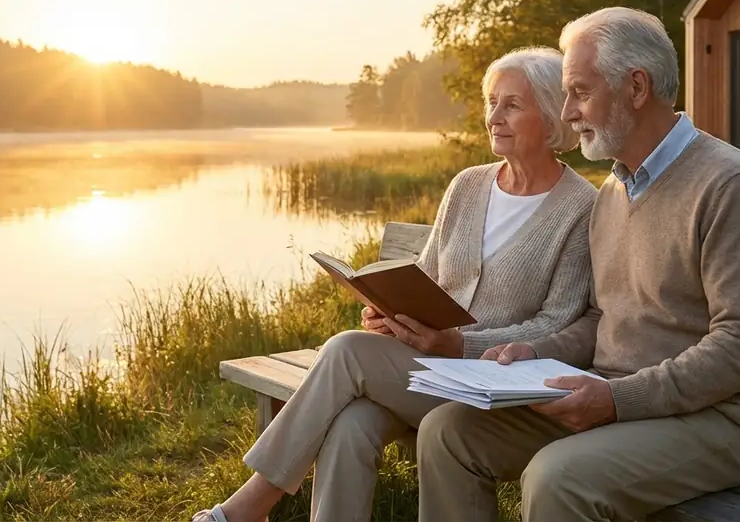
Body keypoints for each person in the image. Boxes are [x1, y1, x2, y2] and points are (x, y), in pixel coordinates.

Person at [415, 7, 740, 521]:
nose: (567, 112)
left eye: (580, 91)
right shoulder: (615, 189)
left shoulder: (729, 185)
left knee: (557, 478)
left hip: (723, 418)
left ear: (635, 88)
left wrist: (619, 399)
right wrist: (534, 350)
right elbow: (601, 318)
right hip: (615, 394)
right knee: (448, 433)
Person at [192, 46, 599, 522]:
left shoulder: (580, 207)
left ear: (551, 119)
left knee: (346, 351)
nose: (494, 117)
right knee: (352, 421)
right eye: (491, 102)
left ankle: (250, 506)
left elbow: (558, 321)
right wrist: (387, 308)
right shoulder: (468, 184)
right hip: (424, 369)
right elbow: (426, 273)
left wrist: (460, 345)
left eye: (512, 105)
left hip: (491, 388)